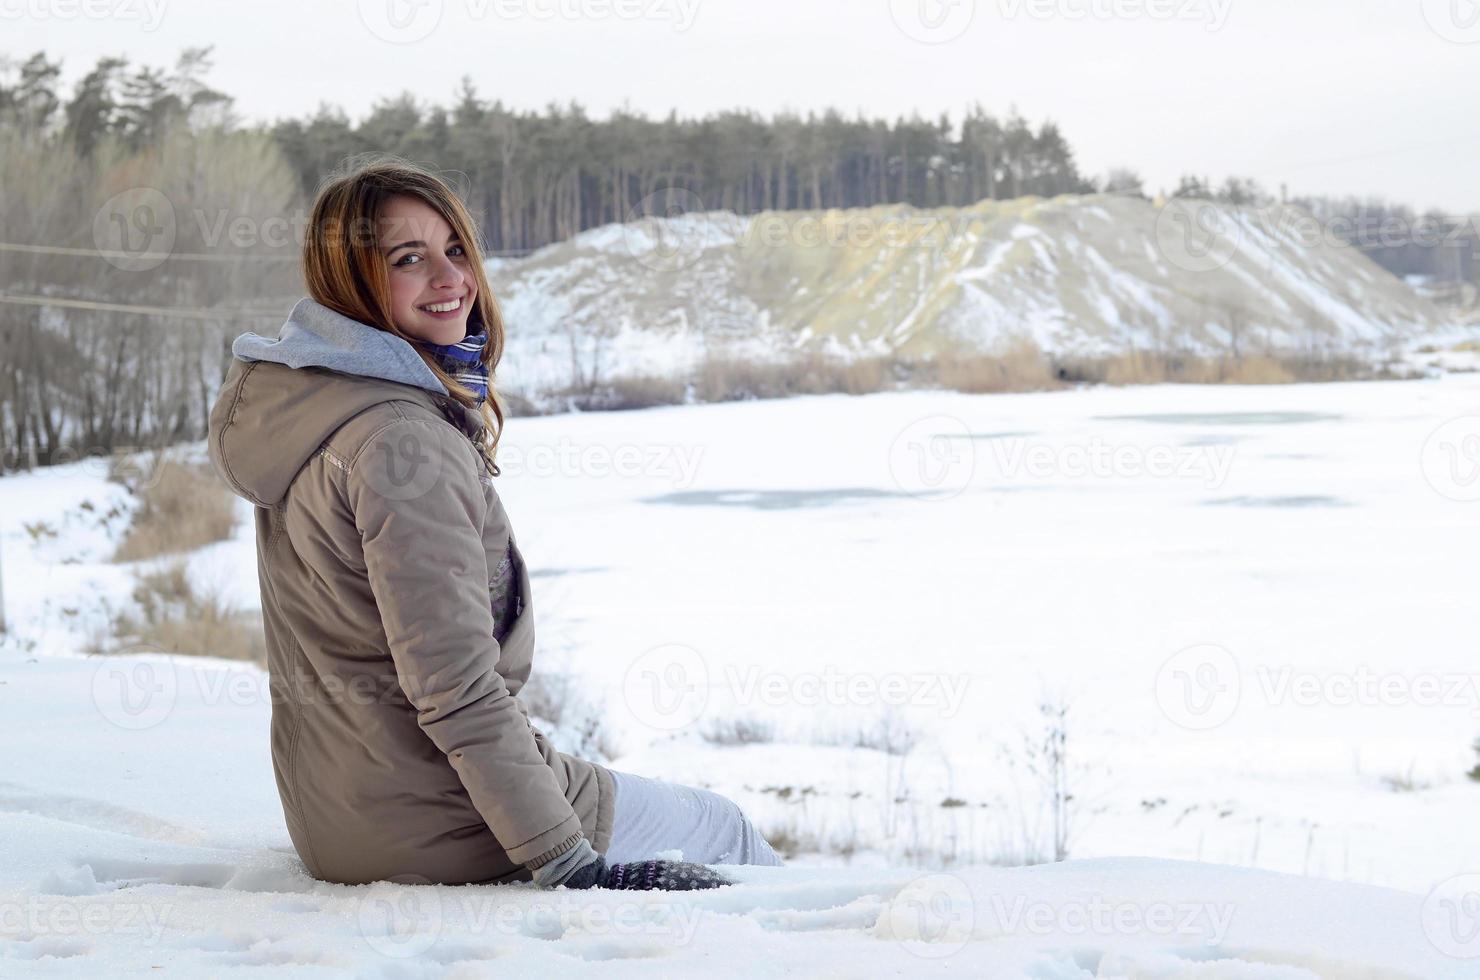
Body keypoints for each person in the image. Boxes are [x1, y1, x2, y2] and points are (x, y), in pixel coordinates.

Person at [207, 156, 781, 891]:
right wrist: (568, 862)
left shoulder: (315, 407)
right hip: (437, 822)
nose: (452, 280)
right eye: (408, 258)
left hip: (338, 815)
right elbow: (454, 684)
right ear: (350, 280)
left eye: (456, 250)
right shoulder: (400, 443)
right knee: (723, 827)